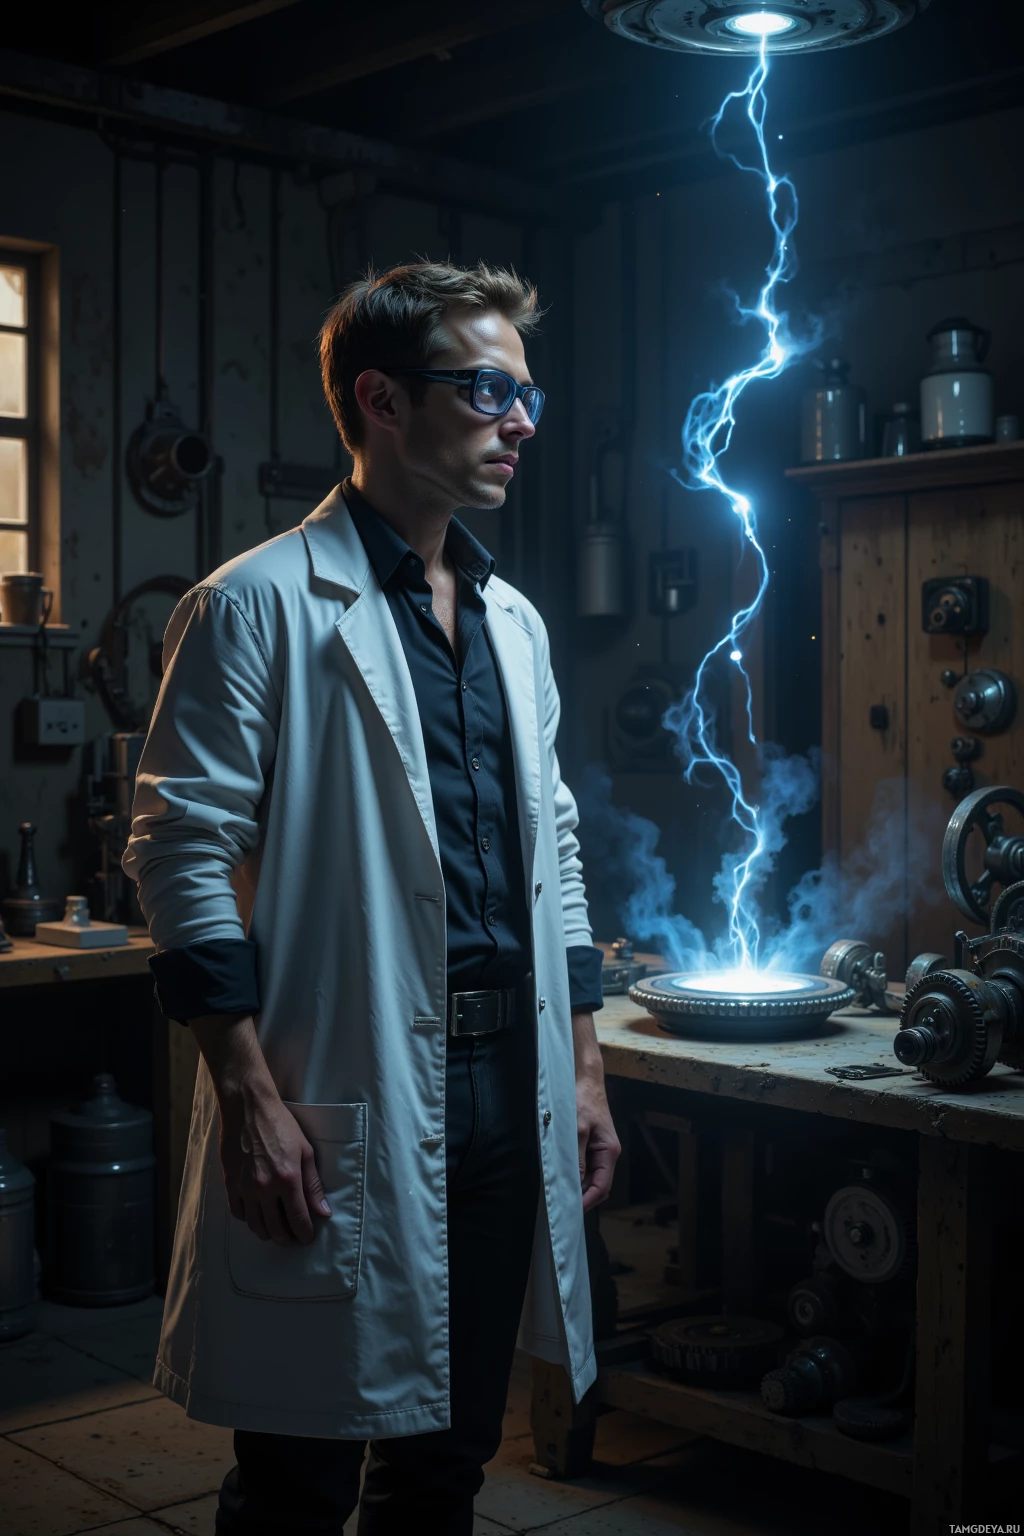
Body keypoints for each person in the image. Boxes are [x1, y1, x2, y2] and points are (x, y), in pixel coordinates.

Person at [123, 260, 620, 1535]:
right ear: (382, 400)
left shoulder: (512, 622)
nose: (520, 421)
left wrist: (584, 1066)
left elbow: (552, 848)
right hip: (334, 1081)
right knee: (298, 1475)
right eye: (488, 389)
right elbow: (178, 847)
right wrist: (244, 1095)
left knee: (446, 1458)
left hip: (506, 1077)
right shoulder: (252, 606)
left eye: (528, 393)